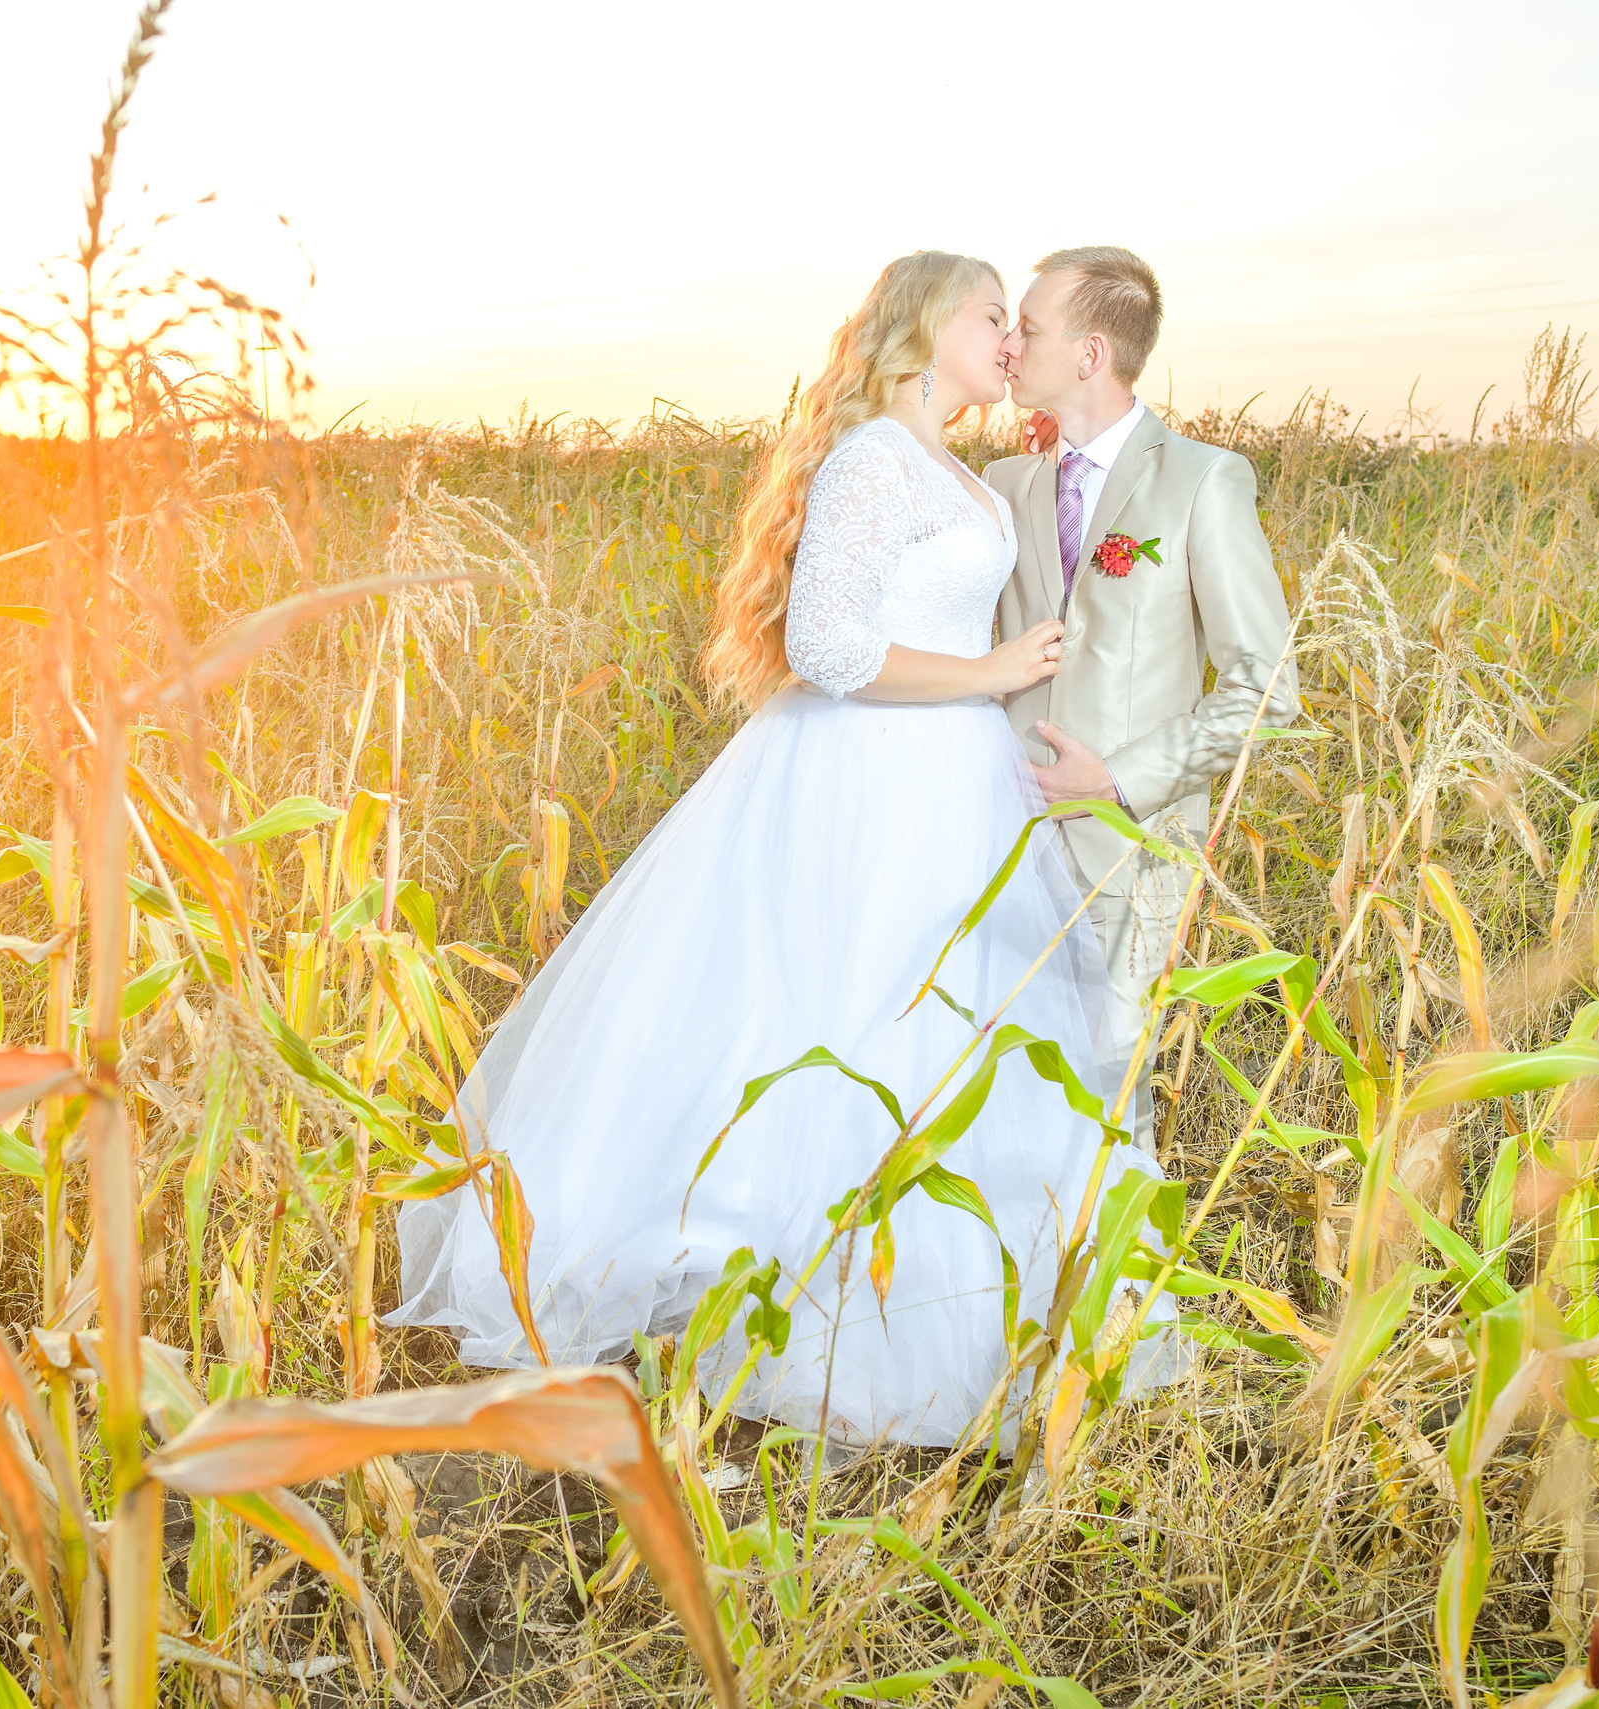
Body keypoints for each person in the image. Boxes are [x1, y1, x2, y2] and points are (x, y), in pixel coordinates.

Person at [388, 252, 1180, 1448]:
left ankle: (970, 1282)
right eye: (990, 316)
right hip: (866, 778)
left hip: (954, 775)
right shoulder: (873, 458)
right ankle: (815, 1293)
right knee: (846, 1014)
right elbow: (826, 645)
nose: (1009, 339)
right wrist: (989, 671)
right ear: (926, 326)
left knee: (949, 1020)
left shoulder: (954, 468)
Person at [986, 246, 1299, 1142]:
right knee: (998, 1093)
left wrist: (1120, 779)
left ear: (1091, 353)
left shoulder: (1203, 480)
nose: (1009, 345)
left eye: (1028, 328)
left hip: (1133, 851)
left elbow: (1268, 688)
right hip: (1002, 844)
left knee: (1108, 1107)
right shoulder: (1004, 484)